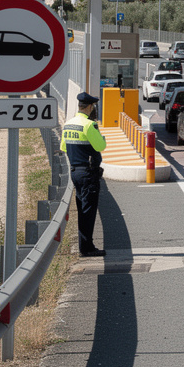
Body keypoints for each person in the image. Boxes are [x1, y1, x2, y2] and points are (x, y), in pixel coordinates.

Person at [60, 93, 107, 257]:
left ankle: (85, 245)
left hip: (75, 171)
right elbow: (101, 146)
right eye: (93, 107)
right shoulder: (89, 125)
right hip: (88, 173)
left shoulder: (68, 124)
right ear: (90, 107)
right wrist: (102, 136)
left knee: (82, 208)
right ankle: (86, 248)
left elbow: (64, 148)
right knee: (88, 210)